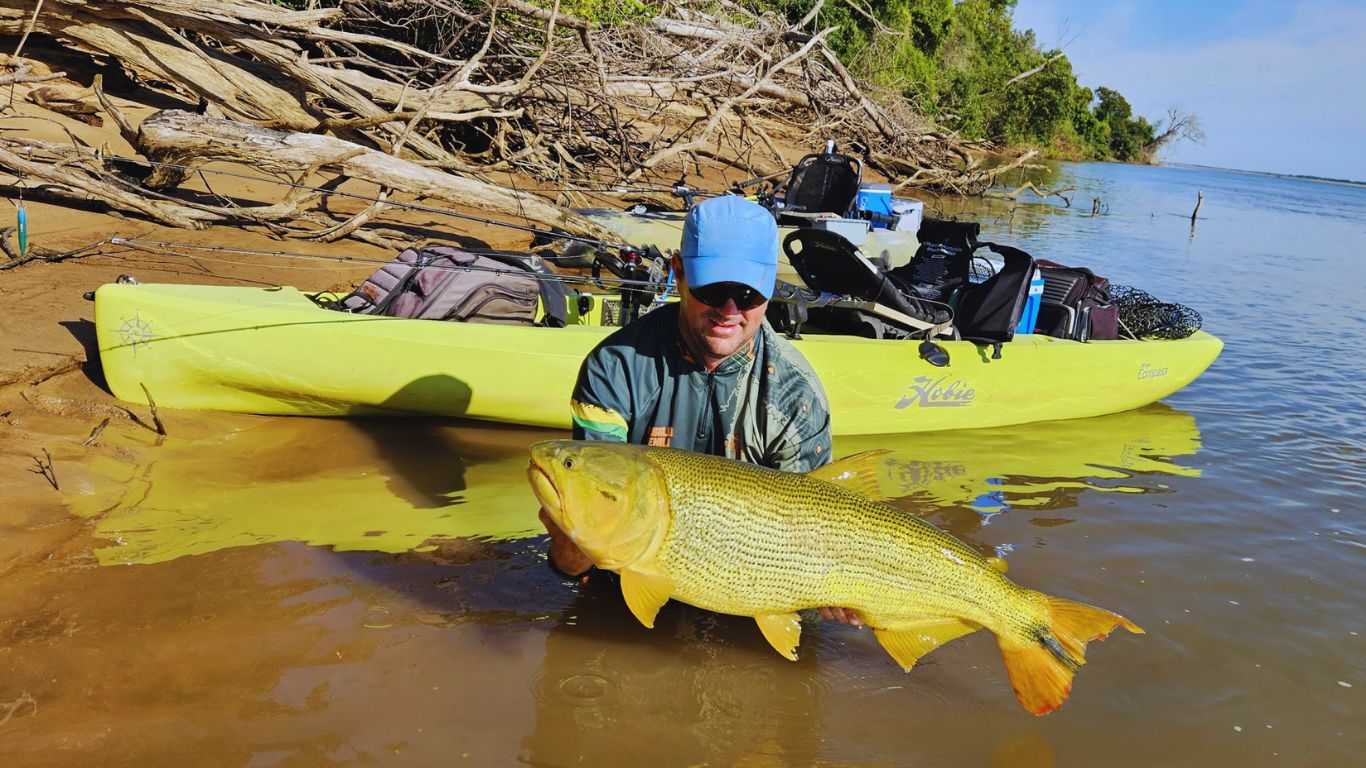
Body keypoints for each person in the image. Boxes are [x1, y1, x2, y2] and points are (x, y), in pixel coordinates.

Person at [539, 195, 862, 626]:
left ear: (770, 289)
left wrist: (838, 590)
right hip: (626, 585)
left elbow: (806, 541)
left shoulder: (795, 396)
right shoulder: (615, 368)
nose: (729, 311)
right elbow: (588, 528)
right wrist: (569, 545)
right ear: (678, 273)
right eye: (712, 289)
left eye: (747, 294)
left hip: (751, 594)